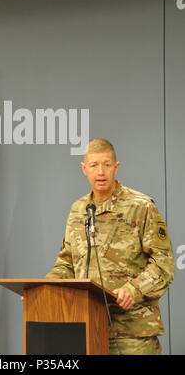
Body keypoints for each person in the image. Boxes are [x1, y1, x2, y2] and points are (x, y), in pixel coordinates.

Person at [46, 138, 175, 355]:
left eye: (106, 164)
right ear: (84, 169)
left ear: (116, 168)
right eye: (94, 165)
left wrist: (134, 290)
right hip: (86, 326)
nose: (101, 172)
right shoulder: (78, 210)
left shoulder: (140, 206)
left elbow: (163, 264)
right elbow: (67, 262)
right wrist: (45, 288)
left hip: (131, 332)